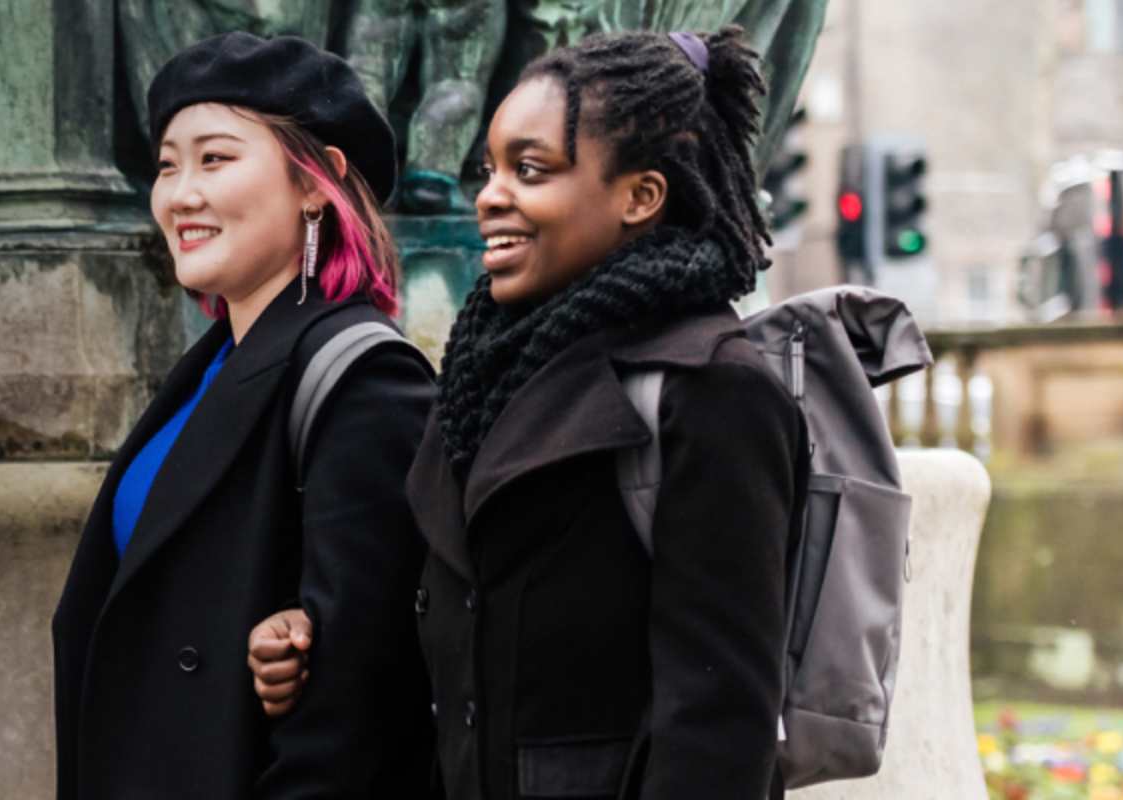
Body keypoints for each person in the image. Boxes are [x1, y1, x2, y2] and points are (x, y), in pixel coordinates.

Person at [245, 26, 807, 800]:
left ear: (640, 196)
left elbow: (719, 724)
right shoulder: (484, 371)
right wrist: (305, 642)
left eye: (531, 170)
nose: (490, 195)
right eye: (490, 168)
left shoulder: (711, 387)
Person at [50, 32, 438, 800]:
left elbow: (355, 710)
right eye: (167, 165)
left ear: (317, 181)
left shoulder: (365, 377)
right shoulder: (210, 369)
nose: (180, 193)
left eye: (216, 158)